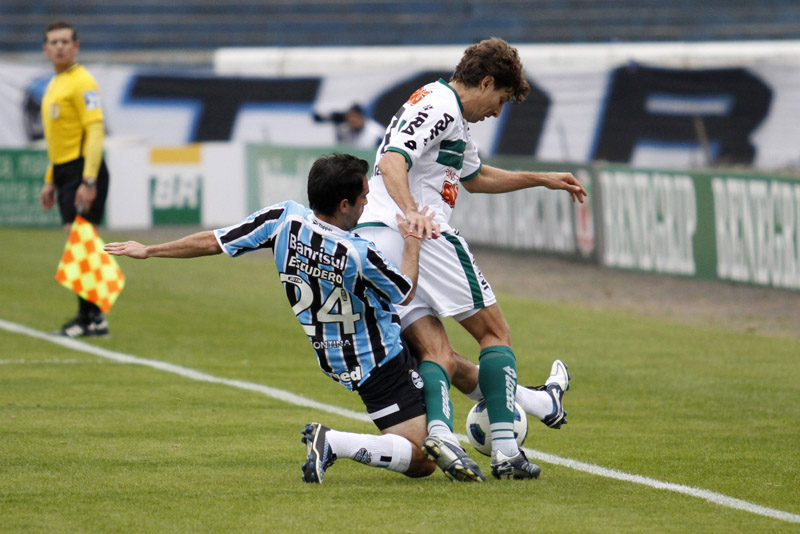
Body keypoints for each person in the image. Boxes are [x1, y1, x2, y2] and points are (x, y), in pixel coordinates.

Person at [104, 153, 485, 483]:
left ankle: (511, 411)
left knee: (451, 362)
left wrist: (150, 250)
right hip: (378, 361)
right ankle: (336, 442)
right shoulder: (357, 254)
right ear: (344, 205)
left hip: (336, 352)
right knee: (421, 460)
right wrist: (413, 241)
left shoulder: (283, 219)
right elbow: (404, 290)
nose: (367, 203)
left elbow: (214, 241)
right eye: (364, 197)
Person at [356, 37, 587, 480]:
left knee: (434, 348)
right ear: (485, 83)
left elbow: (476, 178)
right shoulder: (441, 106)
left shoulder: (446, 112)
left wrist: (541, 178)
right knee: (495, 333)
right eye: (500, 99)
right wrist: (412, 215)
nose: (497, 112)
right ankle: (507, 452)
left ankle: (441, 433)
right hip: (420, 233)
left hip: (380, 241)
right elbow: (391, 160)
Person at [39, 21, 111, 338]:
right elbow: (57, 140)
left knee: (81, 243)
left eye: (65, 41)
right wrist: (51, 179)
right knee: (80, 242)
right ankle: (94, 317)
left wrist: (89, 180)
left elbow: (95, 130)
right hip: (65, 171)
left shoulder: (83, 81)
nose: (59, 47)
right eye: (54, 42)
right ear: (45, 49)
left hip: (83, 170)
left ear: (76, 46)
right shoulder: (56, 83)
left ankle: (89, 318)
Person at [314, 104, 385, 149]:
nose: (353, 120)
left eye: (355, 117)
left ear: (362, 117)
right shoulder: (346, 129)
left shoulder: (376, 133)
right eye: (350, 118)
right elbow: (342, 148)